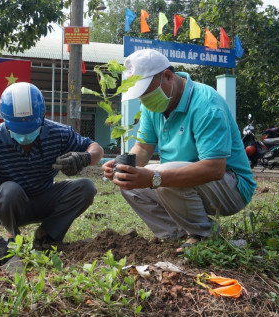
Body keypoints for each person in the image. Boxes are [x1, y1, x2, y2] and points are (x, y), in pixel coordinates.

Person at [102, 49, 257, 255]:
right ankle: (179, 234)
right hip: (186, 182)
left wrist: (155, 177)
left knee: (163, 175)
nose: (145, 101)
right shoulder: (154, 107)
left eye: (147, 93)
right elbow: (143, 148)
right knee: (130, 183)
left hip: (231, 187)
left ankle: (204, 235)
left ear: (167, 76)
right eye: (140, 96)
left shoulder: (206, 104)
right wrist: (122, 167)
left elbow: (214, 169)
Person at [0, 82, 104, 262]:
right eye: (18, 129)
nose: (25, 136)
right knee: (9, 190)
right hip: (10, 204)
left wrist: (84, 157)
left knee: (86, 187)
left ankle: (46, 236)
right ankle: (11, 236)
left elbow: (96, 149)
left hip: (44, 197)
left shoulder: (59, 133)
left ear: (42, 116)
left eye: (31, 128)